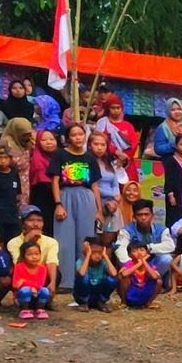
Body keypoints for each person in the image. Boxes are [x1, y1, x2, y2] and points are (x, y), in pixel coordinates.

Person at [49, 124, 102, 290]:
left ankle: (83, 278)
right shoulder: (60, 154)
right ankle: (64, 281)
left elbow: (94, 185)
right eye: (74, 135)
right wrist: (58, 204)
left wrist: (99, 209)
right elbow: (55, 181)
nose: (78, 137)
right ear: (68, 138)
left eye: (81, 134)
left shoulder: (90, 158)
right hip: (65, 195)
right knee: (63, 239)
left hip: (86, 197)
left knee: (85, 239)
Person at [115, 199, 174, 278]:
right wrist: (130, 264)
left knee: (167, 259)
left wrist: (148, 247)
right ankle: (137, 280)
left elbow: (170, 246)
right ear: (134, 217)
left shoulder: (162, 229)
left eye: (146, 214)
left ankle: (152, 279)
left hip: (153, 265)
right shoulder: (127, 230)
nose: (143, 217)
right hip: (133, 263)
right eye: (139, 215)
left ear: (152, 215)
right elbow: (120, 249)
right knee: (121, 257)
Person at [73, 237, 118, 311]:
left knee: (112, 280)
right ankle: (84, 303)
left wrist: (105, 256)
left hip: (97, 294)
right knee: (84, 278)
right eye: (94, 252)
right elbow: (82, 273)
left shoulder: (102, 263)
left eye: (99, 252)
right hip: (84, 294)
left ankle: (101, 302)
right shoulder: (81, 262)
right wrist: (88, 255)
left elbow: (114, 274)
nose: (97, 255)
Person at [12, 240, 50, 319]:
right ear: (23, 256)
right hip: (22, 297)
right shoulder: (19, 267)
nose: (34, 257)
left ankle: (40, 310)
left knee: (45, 290)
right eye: (29, 254)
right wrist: (30, 287)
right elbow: (15, 285)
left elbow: (40, 284)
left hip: (36, 294)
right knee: (25, 290)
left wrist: (24, 281)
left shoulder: (42, 268)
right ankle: (25, 310)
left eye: (37, 254)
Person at [118, 241, 161, 309]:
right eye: (135, 251)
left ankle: (149, 303)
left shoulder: (149, 265)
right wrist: (139, 264)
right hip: (131, 293)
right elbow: (123, 274)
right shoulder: (129, 263)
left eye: (142, 250)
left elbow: (155, 276)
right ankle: (124, 302)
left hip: (144, 292)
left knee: (159, 281)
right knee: (123, 279)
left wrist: (144, 262)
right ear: (129, 255)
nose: (139, 253)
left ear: (146, 252)